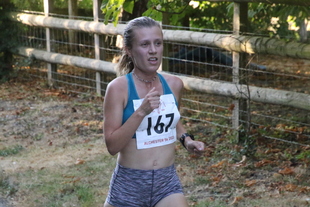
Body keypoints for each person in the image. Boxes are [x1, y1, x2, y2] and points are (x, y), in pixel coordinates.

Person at [103, 16, 205, 207]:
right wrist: (141, 111)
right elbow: (112, 146)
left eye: (158, 43)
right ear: (129, 50)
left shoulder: (174, 84)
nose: (153, 50)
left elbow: (173, 122)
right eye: (144, 44)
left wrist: (187, 140)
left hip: (166, 183)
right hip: (129, 185)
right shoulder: (118, 89)